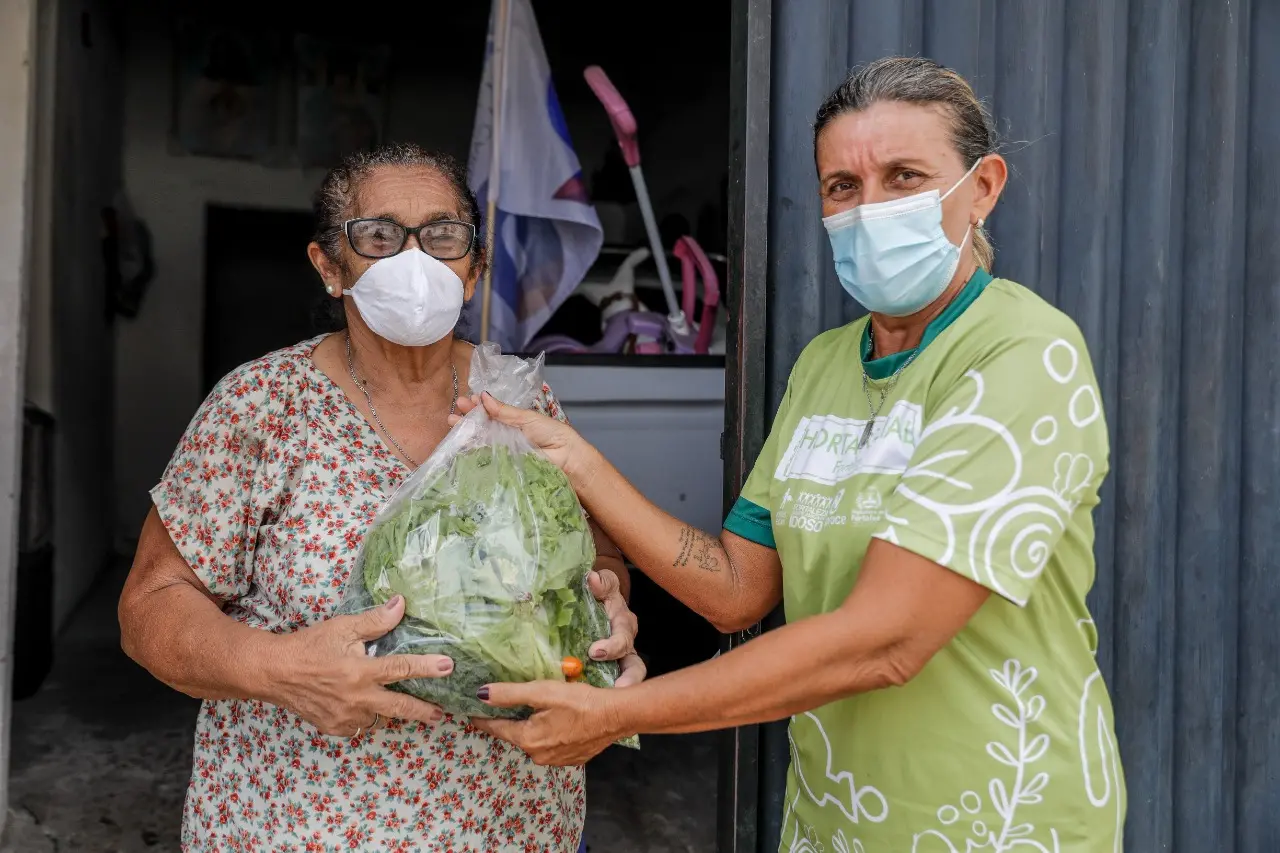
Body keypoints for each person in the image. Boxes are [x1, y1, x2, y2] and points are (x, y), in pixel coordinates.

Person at [463, 58, 1128, 852]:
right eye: (842, 186)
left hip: (1001, 822)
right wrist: (580, 462)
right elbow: (738, 590)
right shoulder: (825, 364)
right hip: (834, 821)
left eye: (904, 176)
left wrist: (617, 713)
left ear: (982, 188)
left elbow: (887, 639)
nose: (869, 207)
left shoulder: (1022, 354)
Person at [118, 142, 644, 852]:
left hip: (509, 825)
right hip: (300, 826)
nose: (415, 260)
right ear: (330, 266)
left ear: (474, 268)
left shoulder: (521, 398)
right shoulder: (260, 404)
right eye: (379, 235)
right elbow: (151, 605)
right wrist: (280, 670)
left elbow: (595, 549)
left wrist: (609, 605)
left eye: (443, 235)